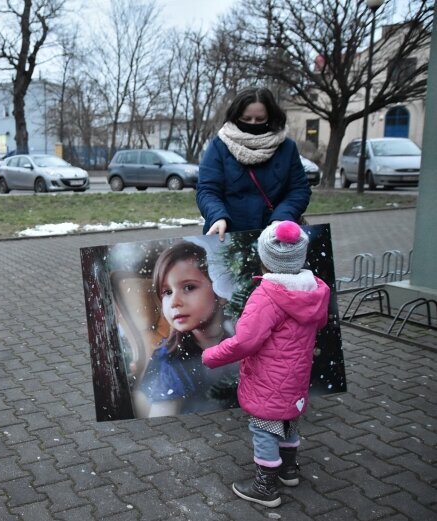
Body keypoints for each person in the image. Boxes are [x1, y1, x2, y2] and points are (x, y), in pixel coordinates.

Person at [202, 221, 330, 508]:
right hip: (296, 377)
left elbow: (245, 341)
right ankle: (288, 471)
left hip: (268, 380)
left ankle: (265, 487)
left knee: (264, 428)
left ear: (264, 259)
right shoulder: (313, 290)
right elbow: (318, 323)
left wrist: (211, 355)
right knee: (288, 421)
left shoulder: (267, 296)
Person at [135, 241, 237, 417]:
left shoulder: (240, 339)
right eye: (167, 292)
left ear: (220, 292)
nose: (174, 302)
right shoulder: (170, 361)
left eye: (189, 287)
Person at [196, 87, 311, 241]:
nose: (253, 123)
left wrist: (282, 217)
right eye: (246, 119)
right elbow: (207, 190)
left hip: (276, 236)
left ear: (270, 117)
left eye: (260, 119)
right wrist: (217, 216)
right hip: (228, 236)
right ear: (236, 116)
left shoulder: (286, 147)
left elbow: (299, 190)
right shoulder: (219, 146)